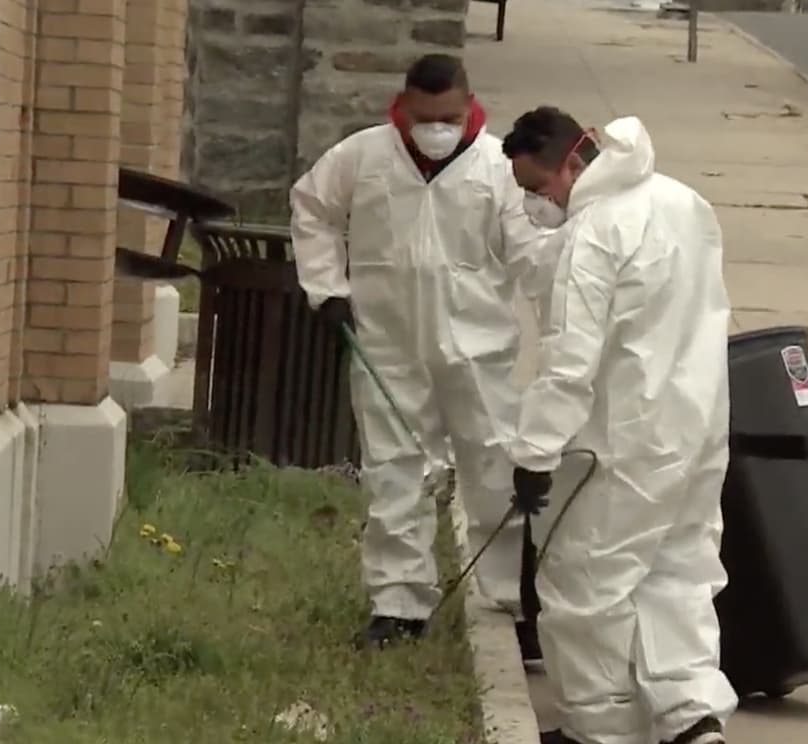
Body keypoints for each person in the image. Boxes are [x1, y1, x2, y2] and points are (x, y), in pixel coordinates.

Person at [289, 54, 553, 654]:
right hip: (389, 346)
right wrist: (327, 288)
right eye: (425, 117)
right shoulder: (363, 157)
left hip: (479, 352)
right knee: (392, 474)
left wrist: (562, 319)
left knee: (495, 472)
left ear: (469, 106)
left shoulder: (498, 170)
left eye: (450, 117)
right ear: (403, 107)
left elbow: (532, 256)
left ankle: (516, 599)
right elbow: (313, 209)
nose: (437, 129)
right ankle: (398, 603)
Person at [502, 107, 738, 744]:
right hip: (698, 426)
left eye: (536, 188)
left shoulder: (594, 233)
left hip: (623, 438)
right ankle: (691, 718)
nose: (535, 205)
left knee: (585, 581)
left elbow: (569, 360)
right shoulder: (684, 202)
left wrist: (535, 453)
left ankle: (599, 730)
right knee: (679, 571)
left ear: (571, 165)